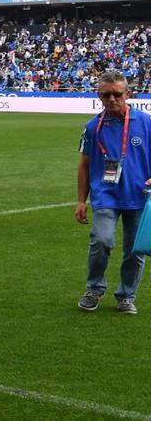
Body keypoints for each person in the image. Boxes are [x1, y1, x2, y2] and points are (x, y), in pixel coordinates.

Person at [75, 71, 151, 315]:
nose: (111, 99)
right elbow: (84, 165)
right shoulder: (92, 127)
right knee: (101, 240)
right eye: (105, 95)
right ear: (99, 96)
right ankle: (94, 289)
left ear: (127, 94)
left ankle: (127, 296)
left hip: (140, 196)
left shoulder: (147, 122)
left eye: (117, 94)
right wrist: (80, 201)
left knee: (135, 250)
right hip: (105, 195)